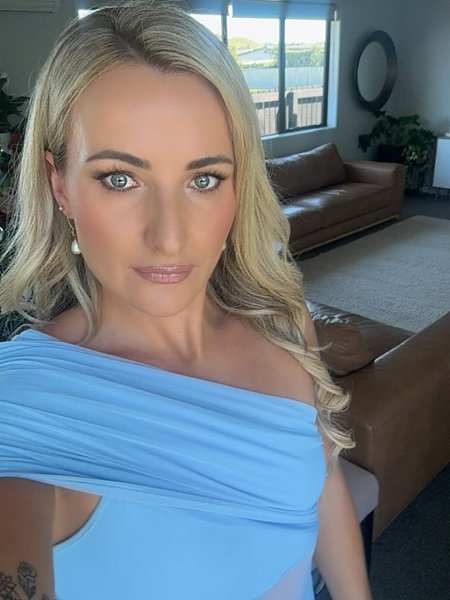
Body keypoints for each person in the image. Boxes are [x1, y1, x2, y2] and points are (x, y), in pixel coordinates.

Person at [0, 2, 372, 598]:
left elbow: (317, 485)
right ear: (59, 184)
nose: (170, 237)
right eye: (120, 178)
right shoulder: (22, 402)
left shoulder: (283, 325)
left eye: (204, 179)